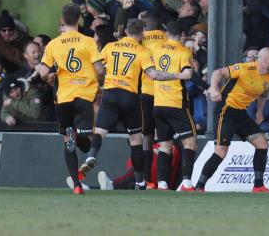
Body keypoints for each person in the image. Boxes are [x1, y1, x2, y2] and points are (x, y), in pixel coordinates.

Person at [79, 19, 189, 191]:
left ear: (125, 31)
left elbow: (99, 69)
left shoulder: (110, 47)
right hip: (129, 97)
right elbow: (154, 75)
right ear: (143, 33)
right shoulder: (143, 51)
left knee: (99, 132)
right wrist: (179, 75)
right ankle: (140, 182)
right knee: (136, 140)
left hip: (109, 93)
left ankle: (91, 156)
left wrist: (100, 83)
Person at [36, 3, 105, 195]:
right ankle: (79, 136)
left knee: (67, 140)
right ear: (80, 19)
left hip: (64, 97)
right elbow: (99, 69)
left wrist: (49, 78)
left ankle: (76, 186)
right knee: (86, 139)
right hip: (84, 95)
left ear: (62, 20)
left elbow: (42, 71)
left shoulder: (53, 44)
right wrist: (101, 84)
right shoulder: (88, 41)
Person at [195, 47, 269, 193]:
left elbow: (264, 92)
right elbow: (218, 72)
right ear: (266, 61)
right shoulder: (244, 68)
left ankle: (258, 186)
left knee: (262, 145)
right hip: (226, 111)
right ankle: (199, 186)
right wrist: (214, 89)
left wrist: (260, 111)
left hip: (240, 114)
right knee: (221, 151)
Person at [149, 23, 198, 191]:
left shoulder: (156, 48)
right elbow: (187, 73)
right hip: (176, 103)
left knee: (165, 145)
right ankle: (187, 183)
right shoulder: (184, 51)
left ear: (166, 33)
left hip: (158, 104)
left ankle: (162, 184)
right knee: (190, 143)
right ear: (182, 34)